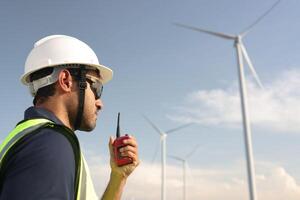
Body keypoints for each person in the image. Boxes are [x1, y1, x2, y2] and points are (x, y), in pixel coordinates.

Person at [0, 35, 139, 200]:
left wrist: (118, 177)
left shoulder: (36, 137)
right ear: (65, 81)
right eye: (95, 87)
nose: (100, 103)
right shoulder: (50, 145)